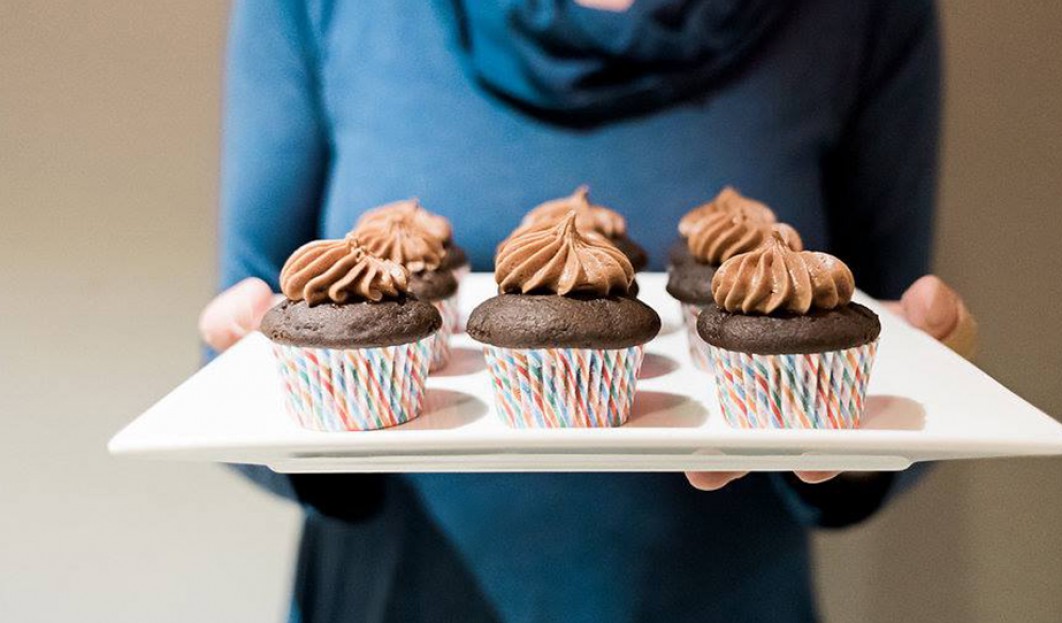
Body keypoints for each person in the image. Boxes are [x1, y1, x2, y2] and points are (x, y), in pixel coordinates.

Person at [199, 1, 978, 621]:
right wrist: (309, 425)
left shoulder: (865, 13)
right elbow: (246, 342)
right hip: (390, 593)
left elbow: (874, 326)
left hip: (723, 599)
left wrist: (876, 430)